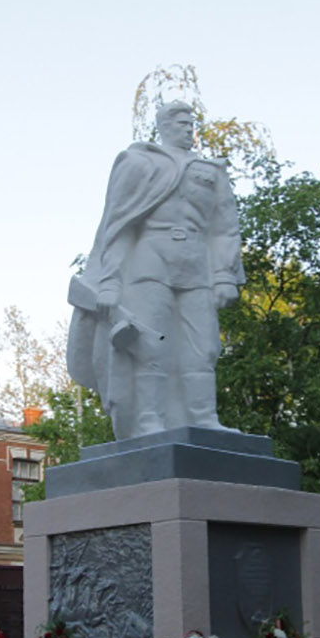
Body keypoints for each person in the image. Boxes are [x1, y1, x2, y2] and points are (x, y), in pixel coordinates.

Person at [66, 101, 245, 439]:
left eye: (191, 123)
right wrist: (110, 282)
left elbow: (224, 228)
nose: (188, 129)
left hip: (195, 266)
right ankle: (150, 421)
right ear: (163, 126)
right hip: (150, 262)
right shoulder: (139, 163)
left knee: (202, 346)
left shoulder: (211, 171)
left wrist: (224, 274)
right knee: (152, 343)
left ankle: (204, 418)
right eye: (180, 122)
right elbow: (119, 226)